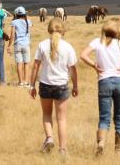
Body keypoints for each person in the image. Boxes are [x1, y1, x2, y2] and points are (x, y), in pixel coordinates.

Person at [80, 18, 120, 155]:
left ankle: (101, 144)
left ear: (104, 30)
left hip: (104, 81)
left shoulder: (97, 42)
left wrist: (94, 65)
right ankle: (119, 151)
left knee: (104, 117)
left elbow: (83, 55)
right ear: (117, 31)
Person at [29, 18, 78, 156]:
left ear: (49, 30)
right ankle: (63, 149)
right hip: (61, 85)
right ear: (63, 30)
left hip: (45, 85)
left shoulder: (42, 45)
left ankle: (49, 138)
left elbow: (36, 67)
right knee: (61, 119)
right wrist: (75, 86)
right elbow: (73, 70)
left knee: (46, 114)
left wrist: (31, 85)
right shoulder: (68, 47)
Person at [7, 6, 33, 87]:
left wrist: (9, 46)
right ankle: (26, 82)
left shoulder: (14, 22)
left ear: (16, 14)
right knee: (26, 63)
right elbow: (29, 33)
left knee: (19, 63)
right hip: (26, 44)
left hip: (17, 44)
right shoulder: (28, 21)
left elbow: (12, 35)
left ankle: (21, 82)